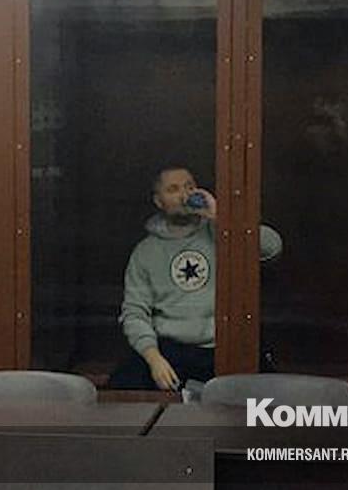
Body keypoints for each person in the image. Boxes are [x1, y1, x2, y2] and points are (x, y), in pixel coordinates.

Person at [109, 166, 282, 390]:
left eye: (189, 187)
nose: (184, 195)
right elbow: (134, 313)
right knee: (121, 387)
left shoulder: (221, 230)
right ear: (159, 201)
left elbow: (272, 249)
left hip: (224, 346)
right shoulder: (145, 251)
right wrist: (154, 359)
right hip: (171, 349)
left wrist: (220, 217)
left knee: (267, 395)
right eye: (173, 189)